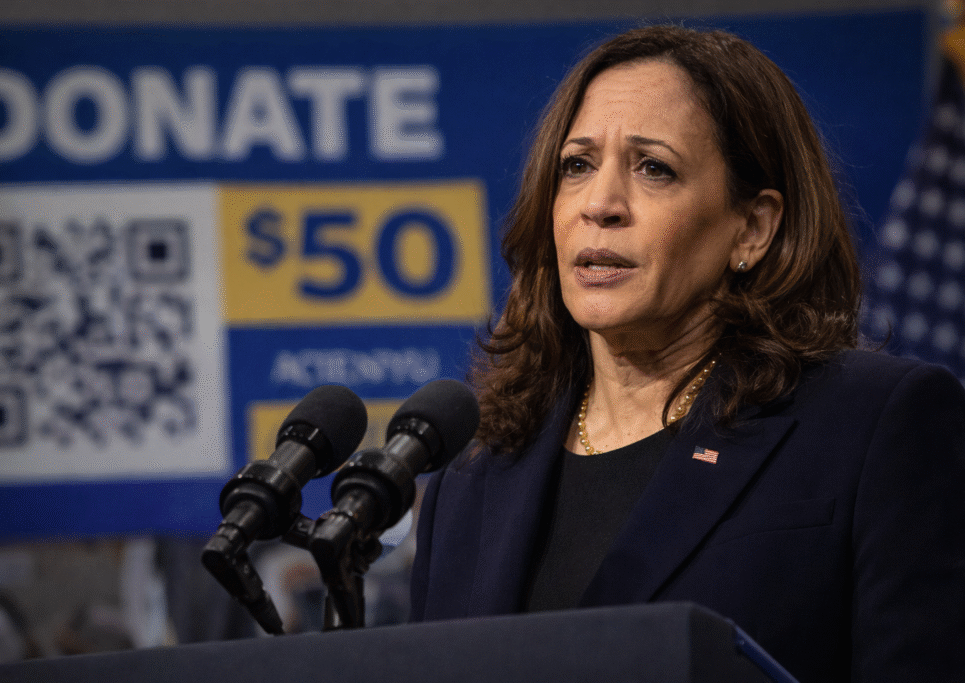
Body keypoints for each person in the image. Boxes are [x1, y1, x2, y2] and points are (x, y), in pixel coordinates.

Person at [409, 25, 965, 683]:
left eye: (654, 168)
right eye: (577, 165)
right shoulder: (473, 474)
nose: (601, 204)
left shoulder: (874, 426)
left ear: (752, 228)